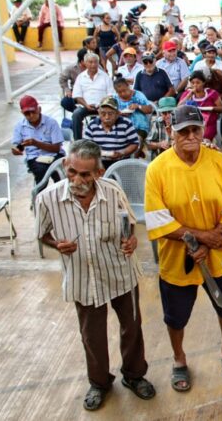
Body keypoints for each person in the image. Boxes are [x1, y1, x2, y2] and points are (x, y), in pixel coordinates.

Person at [35, 139, 154, 411]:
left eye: (85, 174)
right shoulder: (48, 199)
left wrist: (131, 241)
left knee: (132, 328)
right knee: (92, 335)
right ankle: (99, 383)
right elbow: (42, 235)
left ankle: (135, 376)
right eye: (72, 172)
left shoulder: (112, 191)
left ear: (98, 172)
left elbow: (129, 223)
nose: (77, 179)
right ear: (65, 165)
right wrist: (57, 245)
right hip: (83, 279)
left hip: (121, 273)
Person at [145, 105, 222, 390]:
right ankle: (179, 359)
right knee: (175, 317)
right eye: (183, 131)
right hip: (178, 256)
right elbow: (158, 219)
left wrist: (214, 238)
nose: (190, 136)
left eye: (195, 129)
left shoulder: (218, 160)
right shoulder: (157, 169)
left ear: (203, 130)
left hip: (219, 253)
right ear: (171, 132)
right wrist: (203, 238)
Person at [11, 95, 65, 183]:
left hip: (55, 155)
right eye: (27, 113)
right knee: (41, 174)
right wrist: (16, 150)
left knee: (60, 175)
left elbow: (56, 148)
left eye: (33, 111)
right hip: (35, 158)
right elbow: (18, 146)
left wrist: (36, 143)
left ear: (39, 109)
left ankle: (60, 194)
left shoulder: (51, 123)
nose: (31, 115)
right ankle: (40, 195)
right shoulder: (20, 126)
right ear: (22, 113)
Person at [83, 97, 140, 169]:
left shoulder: (126, 123)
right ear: (98, 112)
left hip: (120, 163)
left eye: (110, 114)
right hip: (98, 162)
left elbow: (134, 144)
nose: (106, 117)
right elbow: (85, 145)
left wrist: (122, 153)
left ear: (117, 114)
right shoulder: (92, 125)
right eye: (103, 113)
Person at [71, 53, 116, 140]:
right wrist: (86, 105)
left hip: (103, 106)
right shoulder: (81, 77)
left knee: (112, 114)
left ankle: (109, 139)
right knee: (76, 114)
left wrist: (102, 104)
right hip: (85, 106)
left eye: (95, 62)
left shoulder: (105, 76)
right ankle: (78, 141)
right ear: (85, 63)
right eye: (90, 62)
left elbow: (111, 94)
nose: (93, 65)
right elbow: (77, 96)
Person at [179, 70, 222, 141]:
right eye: (192, 83)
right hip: (191, 124)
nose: (195, 85)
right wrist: (189, 95)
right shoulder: (187, 93)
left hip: (208, 124)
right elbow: (179, 108)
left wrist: (208, 108)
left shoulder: (212, 93)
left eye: (198, 83)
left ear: (204, 83)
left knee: (204, 137)